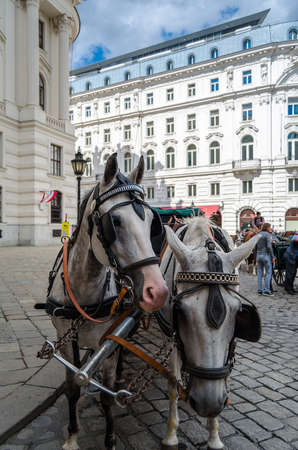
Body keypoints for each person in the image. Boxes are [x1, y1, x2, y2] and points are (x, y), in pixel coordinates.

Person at [256, 222, 275, 296]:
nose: (270, 228)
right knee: (268, 273)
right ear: (267, 227)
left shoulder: (258, 234)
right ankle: (267, 290)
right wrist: (273, 256)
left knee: (260, 273)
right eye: (270, 227)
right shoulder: (267, 234)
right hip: (266, 255)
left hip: (258, 255)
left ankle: (260, 290)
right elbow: (269, 247)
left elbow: (255, 247)